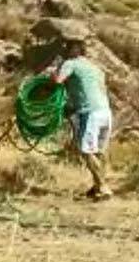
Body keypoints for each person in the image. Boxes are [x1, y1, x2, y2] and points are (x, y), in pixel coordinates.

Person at [46, 37, 113, 200]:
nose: (64, 51)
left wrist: (52, 72)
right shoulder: (96, 68)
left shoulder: (71, 64)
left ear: (74, 50)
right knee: (99, 152)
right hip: (105, 112)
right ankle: (97, 186)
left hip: (90, 113)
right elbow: (94, 89)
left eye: (67, 48)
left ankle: (103, 187)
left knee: (86, 150)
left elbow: (58, 81)